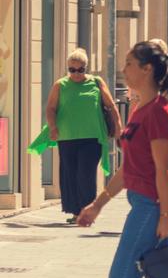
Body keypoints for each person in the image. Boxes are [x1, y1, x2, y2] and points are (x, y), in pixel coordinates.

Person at [77, 40, 168, 278]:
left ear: (147, 70)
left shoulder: (159, 112)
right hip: (147, 203)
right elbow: (128, 169)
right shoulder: (142, 110)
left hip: (154, 205)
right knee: (166, 277)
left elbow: (163, 170)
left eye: (129, 64)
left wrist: (163, 215)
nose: (123, 69)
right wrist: (97, 205)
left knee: (123, 274)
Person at [45, 48, 120, 224]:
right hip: (67, 137)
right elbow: (50, 108)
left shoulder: (96, 82)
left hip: (92, 138)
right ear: (68, 69)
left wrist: (118, 126)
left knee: (85, 174)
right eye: (72, 70)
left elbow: (110, 105)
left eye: (80, 70)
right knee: (70, 174)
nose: (76, 74)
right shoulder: (60, 85)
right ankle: (75, 211)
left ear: (86, 68)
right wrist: (53, 127)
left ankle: (86, 212)